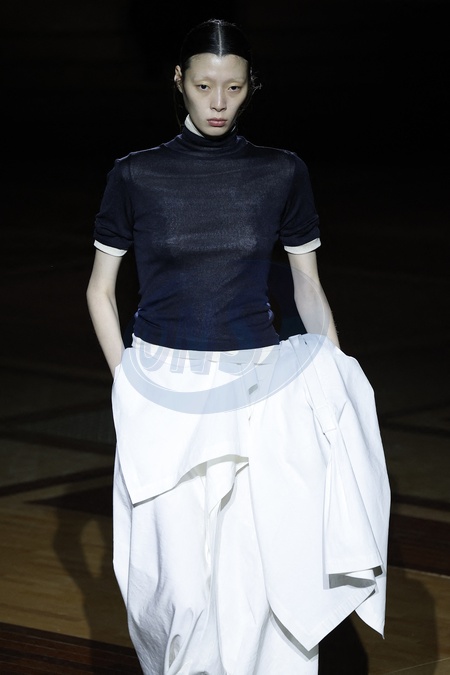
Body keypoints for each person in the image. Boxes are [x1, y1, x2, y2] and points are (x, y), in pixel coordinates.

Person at [86, 18, 390, 675]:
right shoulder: (136, 175)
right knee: (178, 589)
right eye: (203, 86)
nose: (218, 102)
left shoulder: (281, 171)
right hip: (163, 387)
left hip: (259, 385)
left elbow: (307, 287)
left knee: (257, 575)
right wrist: (125, 381)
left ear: (252, 86)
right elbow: (99, 291)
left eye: (233, 87)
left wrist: (332, 380)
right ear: (179, 81)